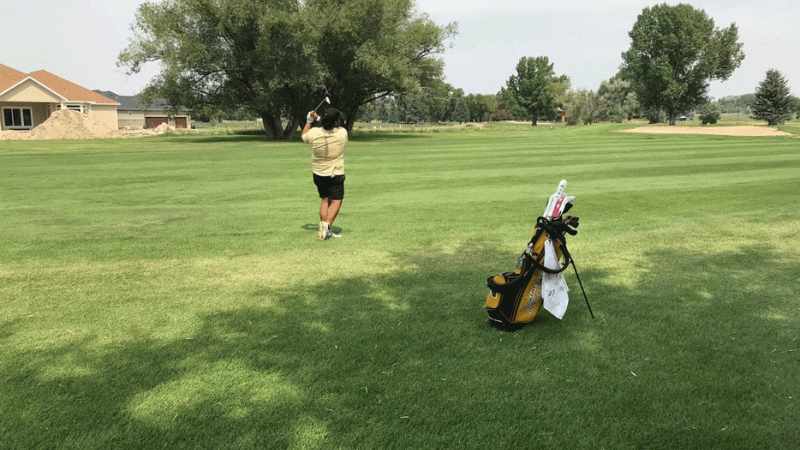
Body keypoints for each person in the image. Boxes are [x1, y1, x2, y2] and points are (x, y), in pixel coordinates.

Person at [301, 106, 348, 240]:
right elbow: (333, 125)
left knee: (325, 200)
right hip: (335, 173)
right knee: (336, 201)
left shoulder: (314, 133)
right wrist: (320, 119)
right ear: (336, 122)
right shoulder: (342, 133)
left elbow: (304, 135)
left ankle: (326, 228)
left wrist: (310, 121)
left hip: (318, 174)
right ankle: (326, 226)